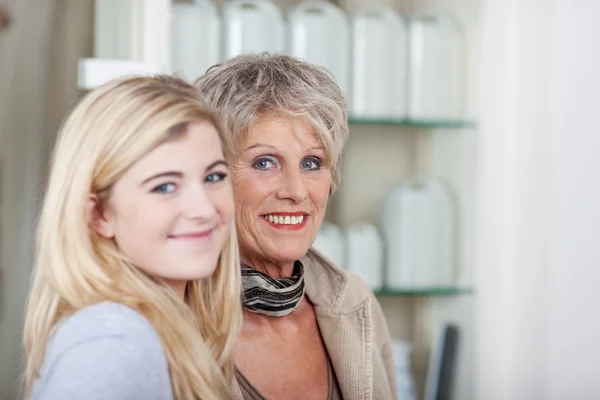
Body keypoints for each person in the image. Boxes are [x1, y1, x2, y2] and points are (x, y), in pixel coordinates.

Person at [23, 75, 242, 400]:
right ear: (99, 215)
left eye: (214, 176)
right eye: (165, 186)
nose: (204, 209)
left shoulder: (163, 328)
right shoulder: (112, 341)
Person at [195, 54, 397, 400]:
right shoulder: (168, 320)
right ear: (212, 177)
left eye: (312, 162)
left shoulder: (355, 301)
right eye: (265, 162)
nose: (296, 191)